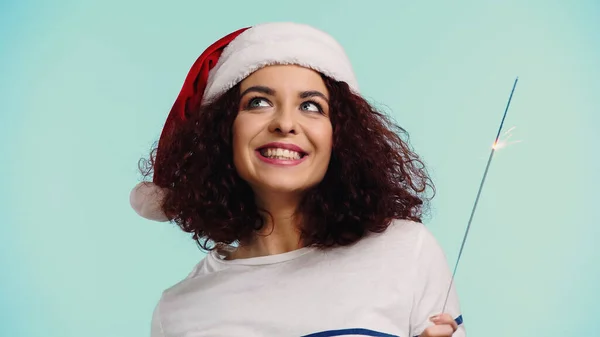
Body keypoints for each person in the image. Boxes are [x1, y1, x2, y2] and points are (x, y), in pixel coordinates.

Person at [130, 22, 466, 337]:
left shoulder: (406, 252)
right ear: (223, 132)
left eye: (311, 106)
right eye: (258, 102)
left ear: (341, 137)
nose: (285, 123)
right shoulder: (178, 312)